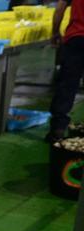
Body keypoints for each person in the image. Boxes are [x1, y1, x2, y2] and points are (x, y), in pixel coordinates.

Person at [47, 0, 84, 143]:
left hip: (76, 38)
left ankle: (58, 130)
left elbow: (59, 9)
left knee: (67, 85)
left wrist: (55, 32)